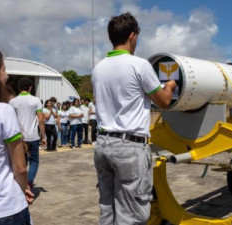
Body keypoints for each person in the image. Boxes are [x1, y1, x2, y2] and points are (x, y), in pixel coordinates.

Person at [92, 13, 176, 224]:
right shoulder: (139, 65)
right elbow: (164, 101)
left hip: (102, 145)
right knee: (132, 214)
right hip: (129, 147)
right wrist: (170, 86)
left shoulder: (98, 69)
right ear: (132, 36)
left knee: (108, 209)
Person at [0, 46, 34, 224]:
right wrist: (23, 190)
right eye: (4, 69)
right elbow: (20, 167)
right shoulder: (2, 111)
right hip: (6, 207)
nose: (7, 75)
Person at [10, 77, 46, 191]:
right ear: (31, 87)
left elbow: (11, 119)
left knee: (22, 162)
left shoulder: (12, 101)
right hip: (33, 136)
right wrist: (43, 136)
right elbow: (41, 120)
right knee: (34, 161)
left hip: (19, 137)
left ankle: (21, 186)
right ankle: (29, 182)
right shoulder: (36, 100)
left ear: (19, 88)